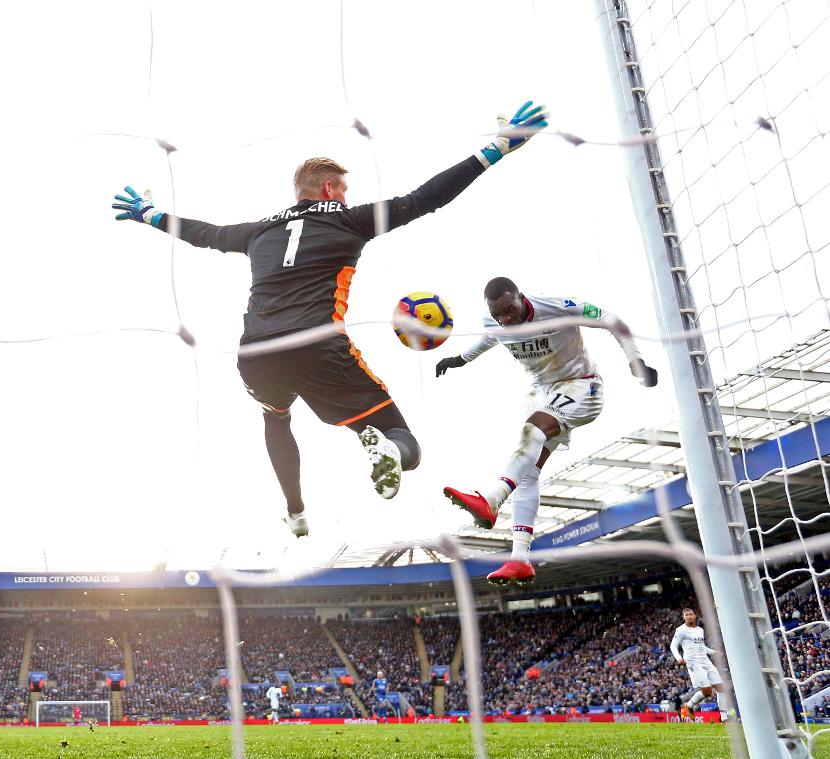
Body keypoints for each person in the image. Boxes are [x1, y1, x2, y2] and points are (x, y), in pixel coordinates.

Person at [113, 102, 550, 537]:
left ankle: (297, 511)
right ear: (326, 189)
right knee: (407, 442)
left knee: (275, 417)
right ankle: (391, 450)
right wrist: (496, 149)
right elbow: (425, 199)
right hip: (318, 347)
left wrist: (150, 215)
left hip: (256, 352)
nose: (345, 197)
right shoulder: (349, 221)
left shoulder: (258, 231)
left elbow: (203, 234)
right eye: (341, 189)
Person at [438, 278, 657, 584]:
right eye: (498, 314)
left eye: (509, 310)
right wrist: (459, 360)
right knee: (528, 471)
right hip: (543, 392)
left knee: (531, 432)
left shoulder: (558, 308)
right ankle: (520, 560)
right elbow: (489, 338)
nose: (506, 319)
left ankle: (491, 500)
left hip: (582, 385)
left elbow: (611, 320)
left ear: (520, 298)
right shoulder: (496, 321)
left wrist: (636, 361)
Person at [670, 608, 722, 719]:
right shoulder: (681, 630)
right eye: (686, 615)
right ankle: (689, 706)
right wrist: (679, 659)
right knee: (707, 691)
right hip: (693, 661)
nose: (689, 616)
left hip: (705, 660)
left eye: (690, 614)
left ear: (695, 616)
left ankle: (724, 717)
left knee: (720, 687)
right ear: (683, 617)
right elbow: (673, 646)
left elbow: (702, 647)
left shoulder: (700, 630)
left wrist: (715, 652)